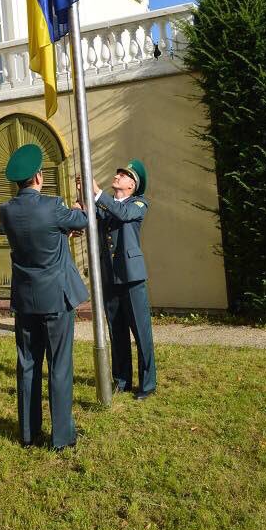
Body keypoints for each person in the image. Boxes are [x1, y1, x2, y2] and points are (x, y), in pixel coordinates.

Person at [0, 143, 89, 450]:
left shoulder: (6, 210)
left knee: (27, 363)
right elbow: (83, 221)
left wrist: (58, 232)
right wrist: (76, 210)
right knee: (59, 365)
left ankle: (28, 433)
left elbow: (27, 233)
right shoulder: (52, 206)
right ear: (38, 177)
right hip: (56, 299)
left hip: (25, 300)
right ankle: (62, 436)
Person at [92, 160, 156, 400]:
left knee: (141, 333)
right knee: (117, 331)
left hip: (131, 277)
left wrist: (97, 193)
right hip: (109, 277)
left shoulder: (138, 203)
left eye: (124, 175)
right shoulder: (105, 206)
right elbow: (92, 217)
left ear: (132, 184)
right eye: (118, 172)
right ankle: (122, 380)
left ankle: (147, 385)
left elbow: (123, 214)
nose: (118, 176)